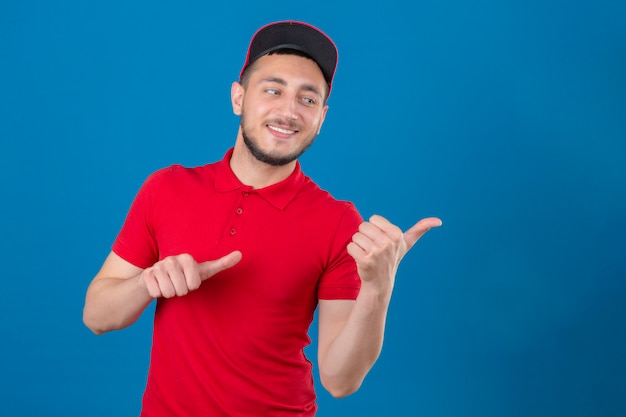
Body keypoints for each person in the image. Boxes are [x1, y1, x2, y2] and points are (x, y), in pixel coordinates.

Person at [83, 20, 442, 416]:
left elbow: (340, 381)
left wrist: (378, 288)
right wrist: (146, 283)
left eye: (307, 100)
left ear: (322, 117)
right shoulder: (166, 188)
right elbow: (97, 316)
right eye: (273, 90)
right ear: (238, 98)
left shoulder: (338, 221)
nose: (288, 111)